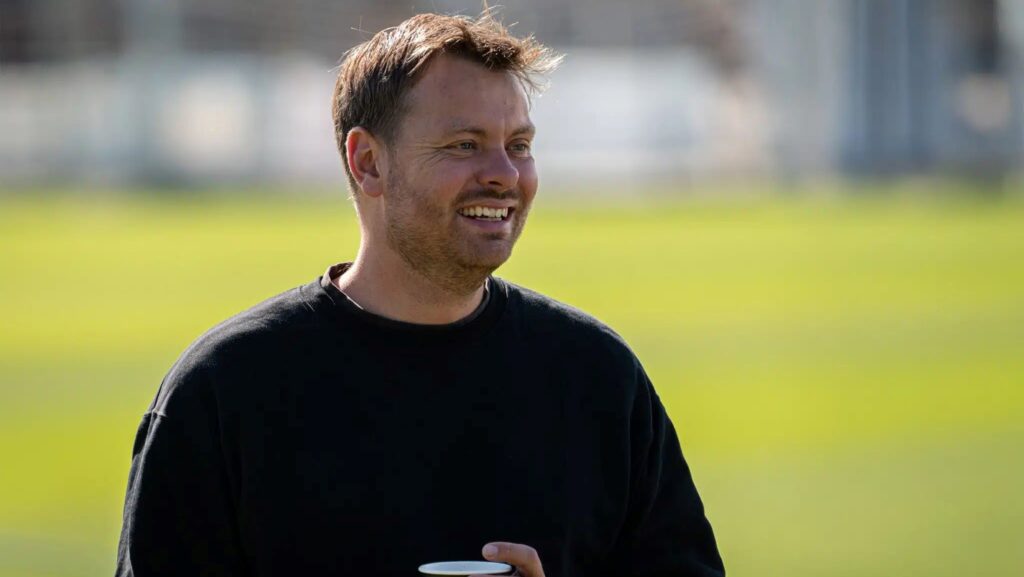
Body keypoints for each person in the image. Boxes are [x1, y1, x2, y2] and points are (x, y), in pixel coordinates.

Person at [115, 12, 724, 577]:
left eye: (519, 145)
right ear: (368, 162)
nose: (505, 175)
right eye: (464, 144)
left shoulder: (599, 378)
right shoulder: (223, 393)